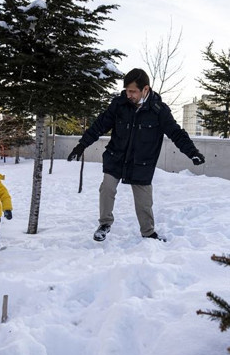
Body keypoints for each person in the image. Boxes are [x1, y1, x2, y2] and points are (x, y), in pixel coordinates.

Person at [67, 68, 205, 242]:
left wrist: (192, 152)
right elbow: (99, 125)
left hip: (142, 163)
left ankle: (148, 232)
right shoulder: (119, 105)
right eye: (126, 90)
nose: (128, 95)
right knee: (107, 189)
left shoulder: (159, 111)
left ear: (145, 89)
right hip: (116, 157)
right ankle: (105, 224)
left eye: (132, 91)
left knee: (144, 202)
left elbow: (176, 133)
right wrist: (81, 145)